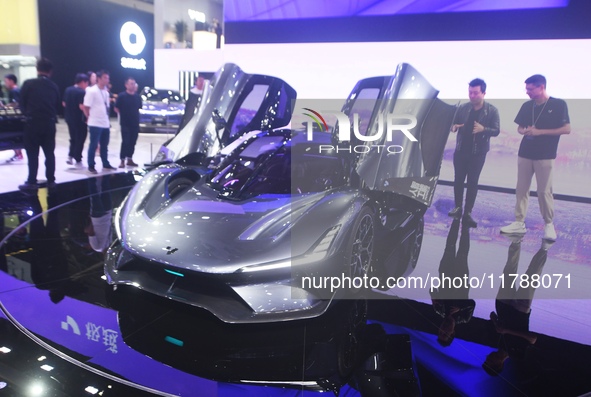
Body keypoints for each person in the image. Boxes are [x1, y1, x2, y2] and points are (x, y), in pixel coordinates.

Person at [500, 75, 570, 240]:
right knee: (521, 188)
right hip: (525, 153)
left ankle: (548, 224)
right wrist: (524, 131)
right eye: (527, 89)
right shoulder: (527, 106)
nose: (527, 92)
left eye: (530, 89)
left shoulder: (558, 104)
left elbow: (566, 129)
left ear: (541, 87)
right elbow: (519, 128)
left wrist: (540, 132)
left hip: (545, 155)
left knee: (544, 191)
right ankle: (519, 222)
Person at [448, 78, 500, 228]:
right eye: (470, 92)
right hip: (460, 150)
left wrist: (484, 129)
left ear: (483, 93)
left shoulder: (491, 110)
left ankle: (468, 212)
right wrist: (454, 127)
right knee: (458, 180)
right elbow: (452, 123)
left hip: (478, 153)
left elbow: (496, 130)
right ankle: (458, 207)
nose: (472, 96)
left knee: (472, 182)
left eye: (475, 93)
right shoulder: (463, 108)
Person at [18, 58, 61, 191]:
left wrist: (28, 114)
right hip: (49, 124)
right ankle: (51, 180)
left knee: (32, 154)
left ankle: (31, 181)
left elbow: (21, 103)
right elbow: (57, 105)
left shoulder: (28, 84)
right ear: (50, 72)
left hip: (33, 123)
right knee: (49, 153)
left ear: (37, 69)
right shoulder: (54, 86)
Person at [83, 70, 116, 174]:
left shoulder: (106, 92)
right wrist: (89, 117)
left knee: (105, 145)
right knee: (93, 145)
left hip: (105, 122)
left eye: (108, 78)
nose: (107, 80)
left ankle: (105, 163)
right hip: (95, 123)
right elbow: (86, 106)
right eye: (105, 78)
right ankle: (91, 165)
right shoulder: (91, 91)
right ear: (99, 78)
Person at [63, 73, 89, 166]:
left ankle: (70, 156)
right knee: (81, 138)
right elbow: (81, 106)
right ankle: (77, 156)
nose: (87, 85)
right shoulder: (81, 92)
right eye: (87, 83)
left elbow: (64, 103)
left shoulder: (68, 89)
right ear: (83, 82)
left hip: (69, 118)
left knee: (73, 137)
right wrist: (88, 116)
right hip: (79, 119)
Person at [114, 77, 142, 168]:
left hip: (135, 123)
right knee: (125, 141)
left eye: (134, 83)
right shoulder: (122, 96)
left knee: (133, 141)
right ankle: (122, 160)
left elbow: (139, 108)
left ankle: (130, 159)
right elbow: (116, 108)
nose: (133, 85)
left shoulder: (137, 97)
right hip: (125, 123)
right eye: (131, 83)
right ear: (126, 85)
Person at [4, 74, 24, 163]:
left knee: (14, 136)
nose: (5, 83)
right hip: (18, 116)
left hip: (15, 117)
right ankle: (18, 154)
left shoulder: (14, 91)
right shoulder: (17, 90)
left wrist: (5, 107)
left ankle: (18, 154)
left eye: (6, 81)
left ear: (11, 81)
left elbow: (16, 103)